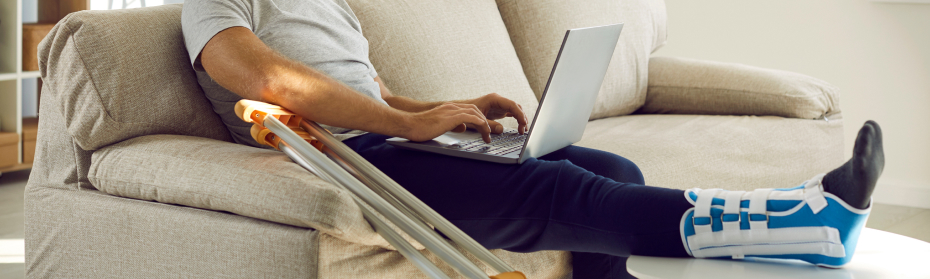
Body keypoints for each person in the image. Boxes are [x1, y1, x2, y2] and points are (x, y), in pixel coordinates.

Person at [181, 0, 884, 277]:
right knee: (560, 189)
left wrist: (447, 109)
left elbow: (377, 93)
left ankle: (803, 222)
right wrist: (409, 126)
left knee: (614, 166)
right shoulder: (214, 3)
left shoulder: (326, 1)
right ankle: (804, 221)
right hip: (352, 158)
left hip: (391, 138)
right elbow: (263, 78)